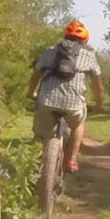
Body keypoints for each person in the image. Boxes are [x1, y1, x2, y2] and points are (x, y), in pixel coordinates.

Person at [28, 19, 105, 177]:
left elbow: (36, 74)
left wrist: (30, 92)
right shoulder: (89, 56)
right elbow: (97, 85)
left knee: (41, 135)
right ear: (85, 40)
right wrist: (99, 104)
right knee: (77, 124)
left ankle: (34, 165)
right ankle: (71, 159)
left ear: (65, 36)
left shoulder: (49, 51)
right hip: (73, 105)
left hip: (46, 101)